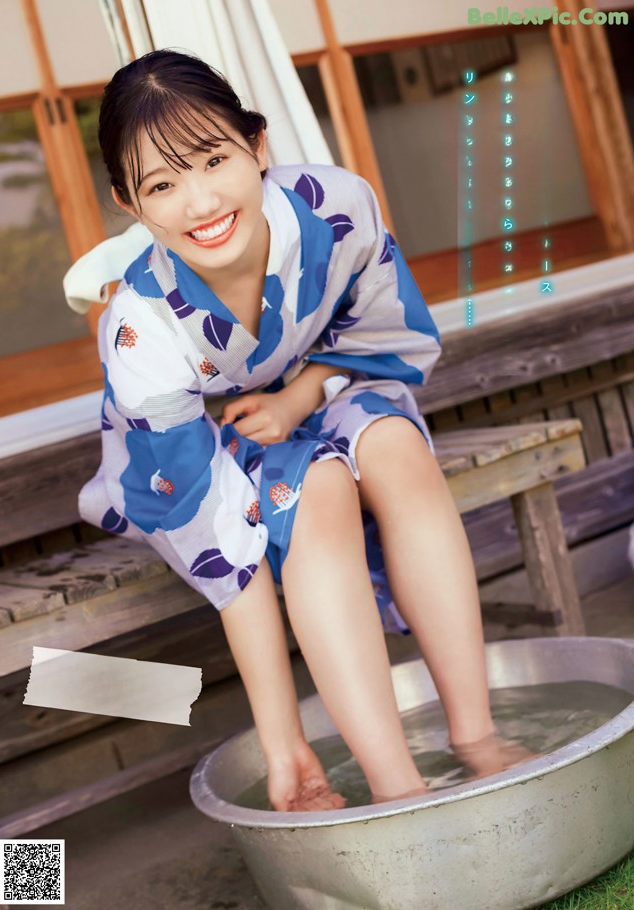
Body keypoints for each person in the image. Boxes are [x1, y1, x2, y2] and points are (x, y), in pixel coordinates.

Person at [83, 48, 534, 813]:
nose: (200, 201)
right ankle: (398, 788)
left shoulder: (334, 206)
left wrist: (298, 399)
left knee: (394, 445)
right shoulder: (140, 330)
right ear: (129, 203)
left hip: (319, 389)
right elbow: (218, 541)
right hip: (197, 456)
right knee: (316, 486)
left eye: (214, 159)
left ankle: (477, 735)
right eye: (162, 184)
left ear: (258, 146)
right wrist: (282, 741)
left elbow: (379, 330)